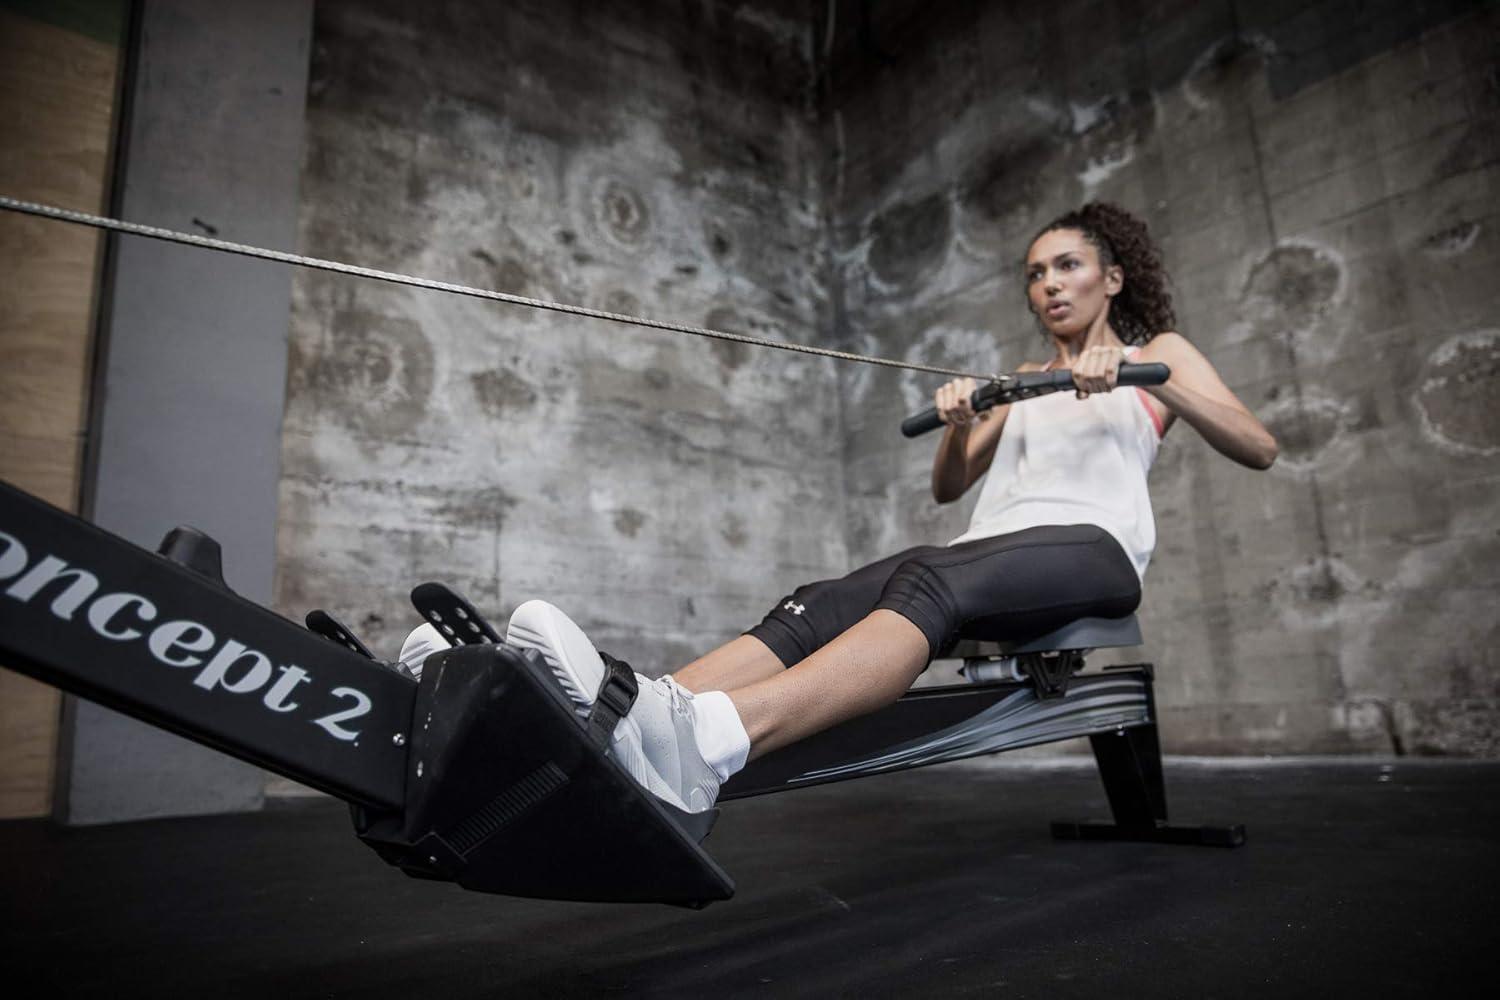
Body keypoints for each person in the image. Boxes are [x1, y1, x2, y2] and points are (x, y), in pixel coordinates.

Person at [400, 202, 1279, 814]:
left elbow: (1257, 444)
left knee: (930, 578)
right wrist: (958, 421)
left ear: (1112, 278)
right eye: (1035, 273)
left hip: (1094, 552)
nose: (1049, 284)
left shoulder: (1158, 352)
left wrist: (1136, 374)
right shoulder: (1021, 379)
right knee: (818, 599)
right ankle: (624, 713)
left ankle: (711, 741)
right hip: (995, 553)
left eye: (1068, 267)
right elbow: (951, 486)